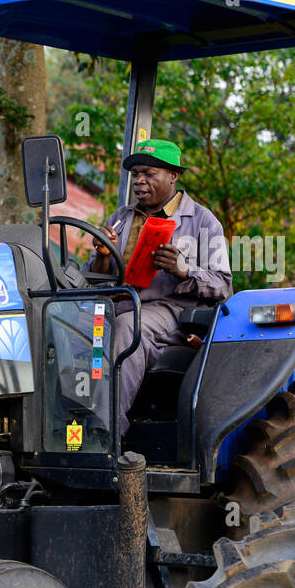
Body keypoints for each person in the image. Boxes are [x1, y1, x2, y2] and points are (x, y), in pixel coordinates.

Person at [86, 139, 231, 436]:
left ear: (173, 175)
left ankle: (104, 435)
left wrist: (183, 270)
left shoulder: (203, 221)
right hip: (114, 305)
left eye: (148, 174)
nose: (139, 180)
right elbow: (93, 278)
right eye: (135, 174)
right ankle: (62, 429)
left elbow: (222, 285)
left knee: (128, 327)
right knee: (63, 324)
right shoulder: (120, 218)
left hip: (169, 310)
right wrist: (102, 256)